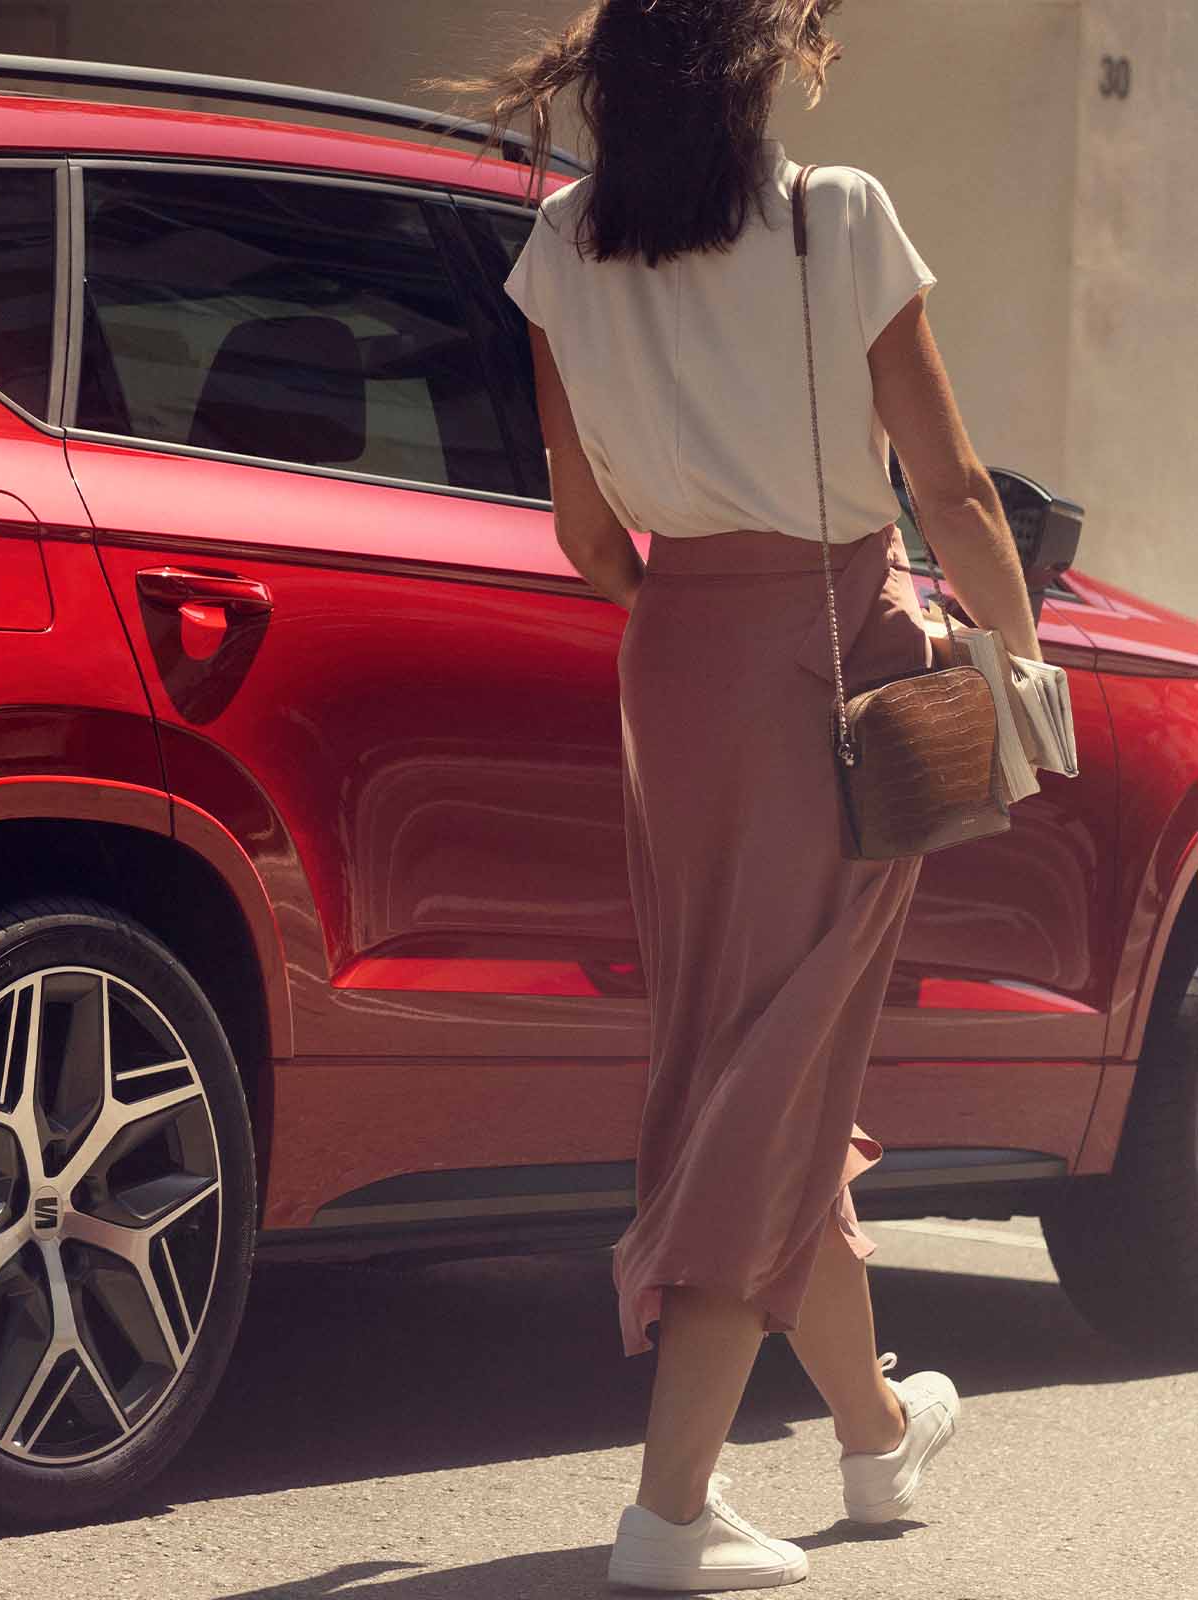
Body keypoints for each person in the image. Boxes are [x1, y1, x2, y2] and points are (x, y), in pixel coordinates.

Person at [457, 1, 1036, 1589]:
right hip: (827, 653)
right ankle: (668, 1510)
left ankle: (873, 1437)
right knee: (771, 1058)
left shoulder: (558, 251)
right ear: (750, 67)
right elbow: (958, 488)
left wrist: (693, 608)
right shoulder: (834, 219)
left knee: (746, 1041)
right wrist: (1019, 655)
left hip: (677, 665)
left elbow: (587, 538)